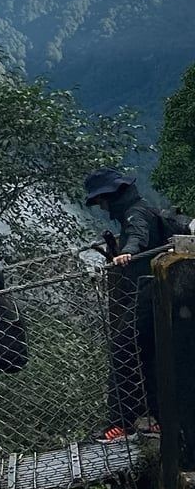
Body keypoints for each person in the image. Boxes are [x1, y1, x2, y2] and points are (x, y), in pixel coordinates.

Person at [84, 167, 165, 439]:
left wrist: (128, 252)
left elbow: (138, 235)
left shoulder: (136, 213)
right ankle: (158, 417)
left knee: (123, 348)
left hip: (148, 292)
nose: (103, 208)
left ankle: (120, 421)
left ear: (112, 196)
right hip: (157, 292)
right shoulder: (141, 209)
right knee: (151, 356)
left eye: (101, 201)